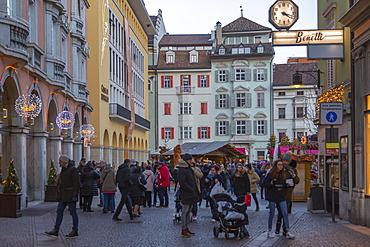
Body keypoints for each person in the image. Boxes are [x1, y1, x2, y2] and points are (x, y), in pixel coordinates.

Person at [45, 155, 80, 238]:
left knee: (73, 212)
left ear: (65, 162)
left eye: (60, 161)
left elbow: (77, 183)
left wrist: (75, 194)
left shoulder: (73, 170)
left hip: (70, 194)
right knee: (59, 211)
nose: (59, 163)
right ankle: (56, 230)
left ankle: (75, 230)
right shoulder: (64, 170)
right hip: (63, 195)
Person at [263, 160, 295, 240]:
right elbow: (264, 184)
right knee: (272, 214)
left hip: (281, 196)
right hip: (272, 196)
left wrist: (287, 185)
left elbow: (284, 184)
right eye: (279, 165)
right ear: (275, 165)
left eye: (281, 165)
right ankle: (269, 230)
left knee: (285, 213)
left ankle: (288, 231)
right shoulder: (271, 174)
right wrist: (271, 183)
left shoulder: (283, 174)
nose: (280, 166)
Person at [177, 153, 200, 238]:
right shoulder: (182, 170)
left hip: (191, 192)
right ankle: (183, 229)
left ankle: (186, 228)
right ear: (187, 160)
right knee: (185, 211)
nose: (191, 161)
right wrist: (190, 189)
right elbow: (182, 182)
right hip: (186, 193)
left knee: (188, 211)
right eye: (190, 160)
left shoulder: (189, 168)